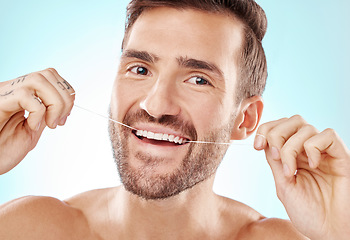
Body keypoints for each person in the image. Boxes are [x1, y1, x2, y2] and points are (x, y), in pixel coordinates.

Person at [0, 0, 349, 239]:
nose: (155, 104)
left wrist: (340, 231)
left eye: (198, 79)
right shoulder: (29, 229)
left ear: (245, 119)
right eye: (140, 69)